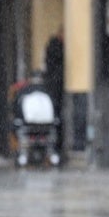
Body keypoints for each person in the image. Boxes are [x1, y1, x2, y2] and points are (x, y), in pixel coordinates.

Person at [44, 26, 64, 155]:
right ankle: (56, 147)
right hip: (55, 86)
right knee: (56, 117)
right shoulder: (56, 47)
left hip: (54, 86)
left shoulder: (52, 47)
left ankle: (56, 147)